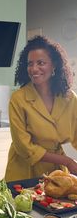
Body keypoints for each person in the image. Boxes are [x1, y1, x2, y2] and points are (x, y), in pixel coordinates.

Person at [5, 35, 77, 182]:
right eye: (30, 63)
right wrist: (68, 161)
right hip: (24, 172)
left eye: (41, 63)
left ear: (54, 65)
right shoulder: (18, 98)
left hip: (56, 173)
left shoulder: (70, 98)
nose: (34, 68)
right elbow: (24, 147)